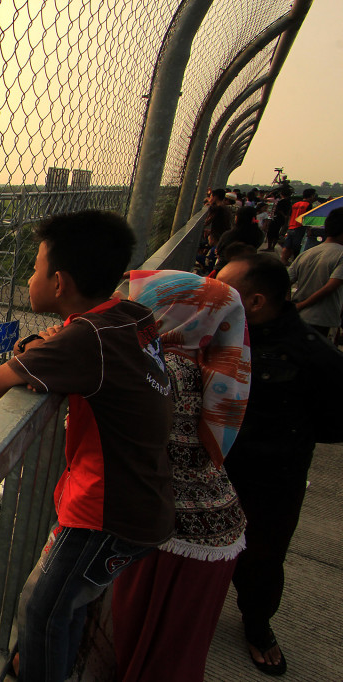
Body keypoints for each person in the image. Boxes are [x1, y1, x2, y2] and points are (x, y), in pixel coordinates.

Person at [0, 210, 174, 682]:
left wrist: (41, 348)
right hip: (144, 499)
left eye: (35, 268)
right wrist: (50, 343)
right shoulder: (127, 314)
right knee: (71, 602)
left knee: (40, 610)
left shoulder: (84, 342)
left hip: (110, 514)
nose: (28, 277)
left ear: (58, 282)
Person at [111, 270, 251, 682]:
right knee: (177, 651)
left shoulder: (158, 367)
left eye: (135, 305)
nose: (124, 312)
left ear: (166, 314)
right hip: (218, 529)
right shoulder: (204, 361)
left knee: (142, 648)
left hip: (174, 533)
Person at [216, 253, 343, 675]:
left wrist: (279, 442)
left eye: (223, 289)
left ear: (254, 301)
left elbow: (333, 424)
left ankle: (257, 626)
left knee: (263, 559)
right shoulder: (218, 334)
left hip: (272, 479)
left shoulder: (313, 355)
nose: (212, 295)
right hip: (215, 467)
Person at [288, 207, 343, 338]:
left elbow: (284, 281)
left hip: (298, 318)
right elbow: (330, 287)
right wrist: (301, 305)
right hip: (323, 320)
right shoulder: (341, 254)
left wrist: (289, 305)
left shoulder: (307, 253)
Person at [281, 188, 315, 264]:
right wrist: (309, 229)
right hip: (299, 227)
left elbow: (289, 216)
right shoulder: (308, 205)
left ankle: (283, 260)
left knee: (287, 245)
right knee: (297, 246)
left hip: (291, 226)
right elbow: (307, 218)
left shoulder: (295, 204)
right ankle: (295, 261)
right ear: (311, 196)